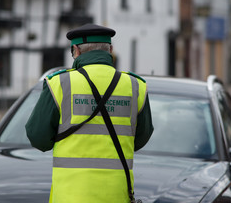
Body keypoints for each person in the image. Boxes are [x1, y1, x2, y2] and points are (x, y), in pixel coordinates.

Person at [25, 23, 154, 203]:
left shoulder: (59, 84)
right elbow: (140, 137)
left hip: (70, 197)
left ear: (76, 51)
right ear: (110, 50)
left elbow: (38, 137)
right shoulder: (135, 86)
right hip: (117, 196)